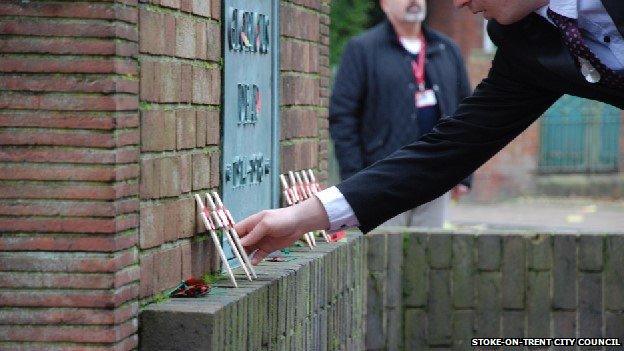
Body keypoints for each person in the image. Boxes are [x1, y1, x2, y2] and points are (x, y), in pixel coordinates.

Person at [237, 0, 624, 264]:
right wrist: (301, 218)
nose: (457, 4)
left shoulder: (450, 47)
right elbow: (450, 148)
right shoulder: (524, 42)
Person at [330, 0, 472, 228]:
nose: (414, 1)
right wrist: (354, 181)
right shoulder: (362, 49)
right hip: (381, 179)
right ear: (385, 5)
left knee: (429, 256)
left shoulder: (446, 49)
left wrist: (464, 174)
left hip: (437, 175)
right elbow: (343, 117)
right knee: (384, 257)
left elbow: (468, 114)